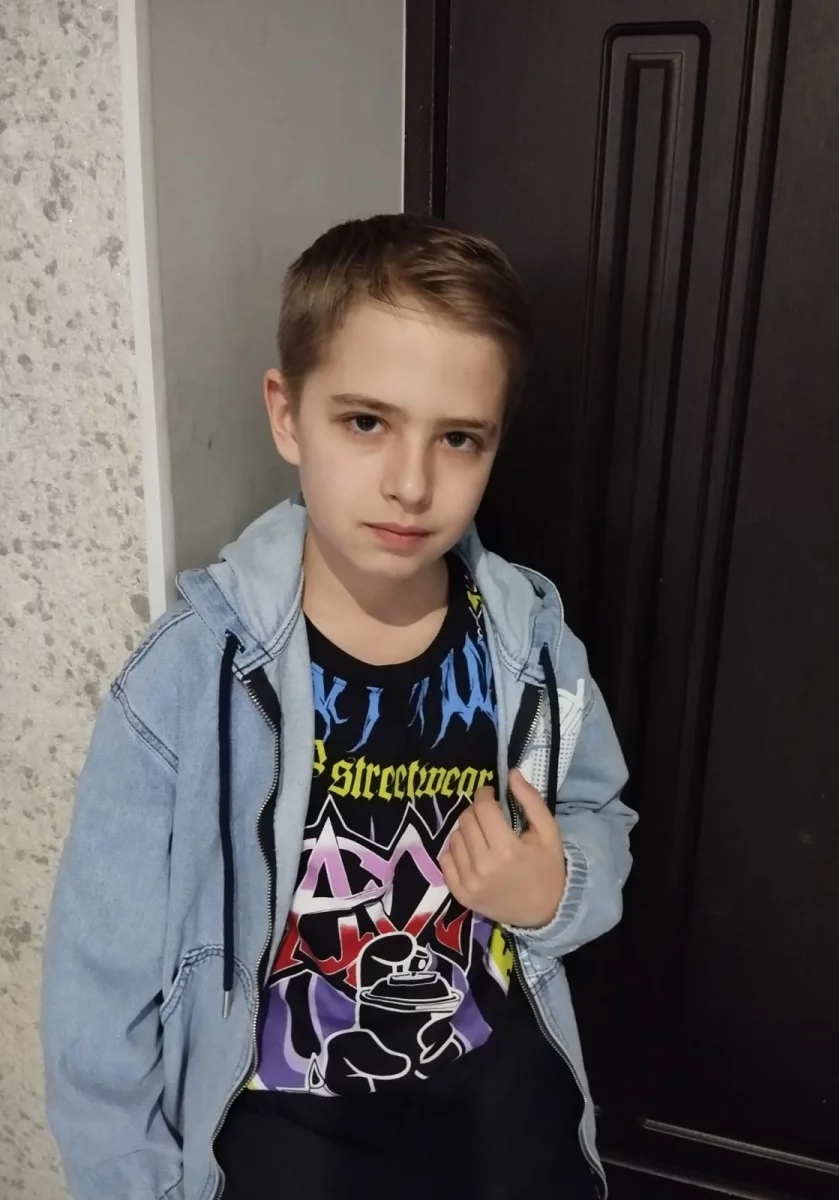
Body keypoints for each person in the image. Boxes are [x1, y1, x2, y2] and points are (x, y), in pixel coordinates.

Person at [42, 214, 637, 1200]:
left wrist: (555, 892)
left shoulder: (529, 640)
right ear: (287, 416)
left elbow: (596, 810)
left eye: (458, 438)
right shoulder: (189, 676)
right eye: (366, 422)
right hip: (283, 1131)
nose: (410, 484)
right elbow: (99, 992)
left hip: (500, 1110)